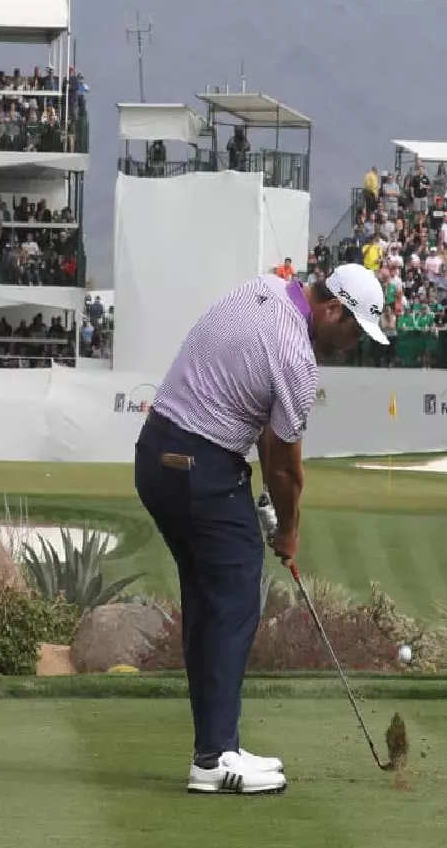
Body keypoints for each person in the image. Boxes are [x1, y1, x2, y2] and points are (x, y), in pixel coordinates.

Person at [133, 263, 389, 795]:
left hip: (157, 455)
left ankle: (216, 745)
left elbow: (266, 435)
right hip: (203, 467)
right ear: (332, 309)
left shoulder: (265, 287)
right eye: (352, 330)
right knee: (233, 600)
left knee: (209, 602)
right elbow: (286, 469)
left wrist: (267, 504)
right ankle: (215, 758)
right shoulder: (297, 357)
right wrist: (288, 529)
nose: (351, 345)